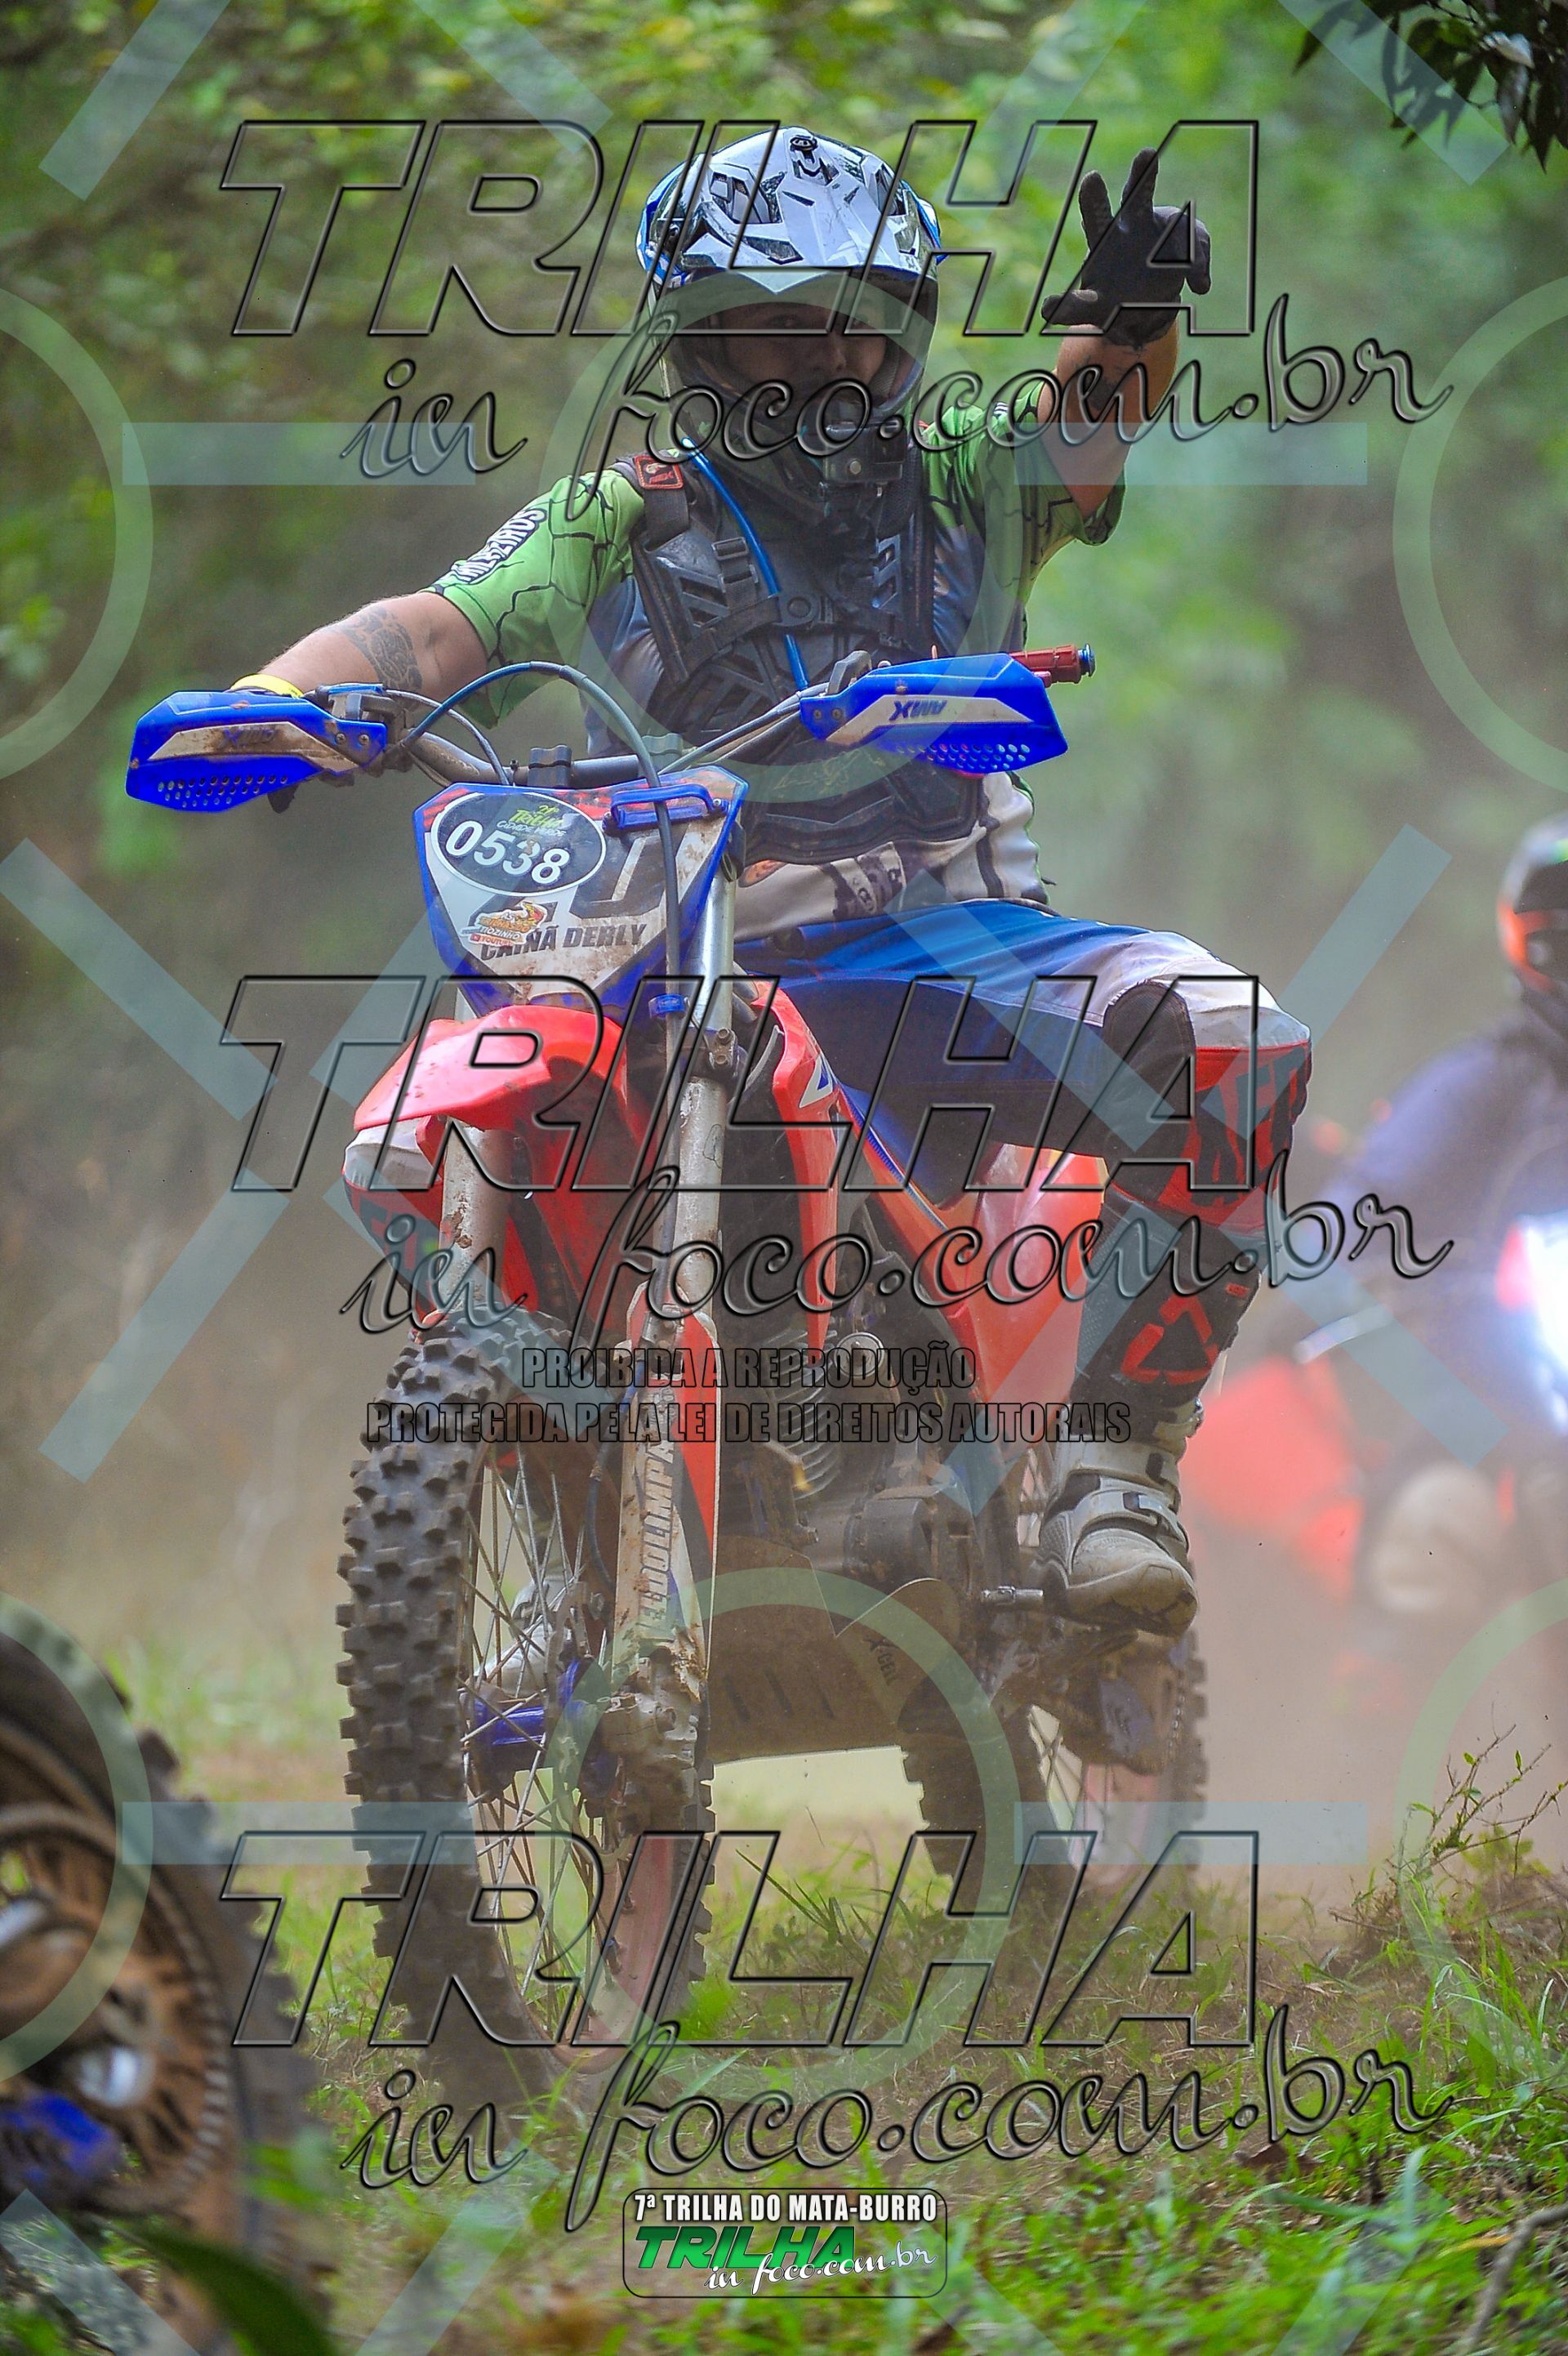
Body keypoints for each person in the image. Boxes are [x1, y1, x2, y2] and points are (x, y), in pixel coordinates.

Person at [234, 128, 1311, 1637]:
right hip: (671, 961)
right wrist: (270, 701)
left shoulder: (961, 481)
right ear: (699, 344)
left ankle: (1113, 1467)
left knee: (1231, 1033)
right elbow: (429, 629)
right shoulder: (615, 520)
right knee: (467, 1095)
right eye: (777, 328)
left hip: (938, 953)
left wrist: (1132, 320)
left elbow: (1083, 430)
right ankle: (567, 1489)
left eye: (855, 327)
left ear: (902, 333)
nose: (825, 363)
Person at [1325, 812, 1568, 1618]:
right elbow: (1357, 1211)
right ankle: (1384, 1691)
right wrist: (1388, 1270)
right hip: (1497, 1408)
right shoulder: (1488, 1083)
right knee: (1437, 1530)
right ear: (1534, 947)